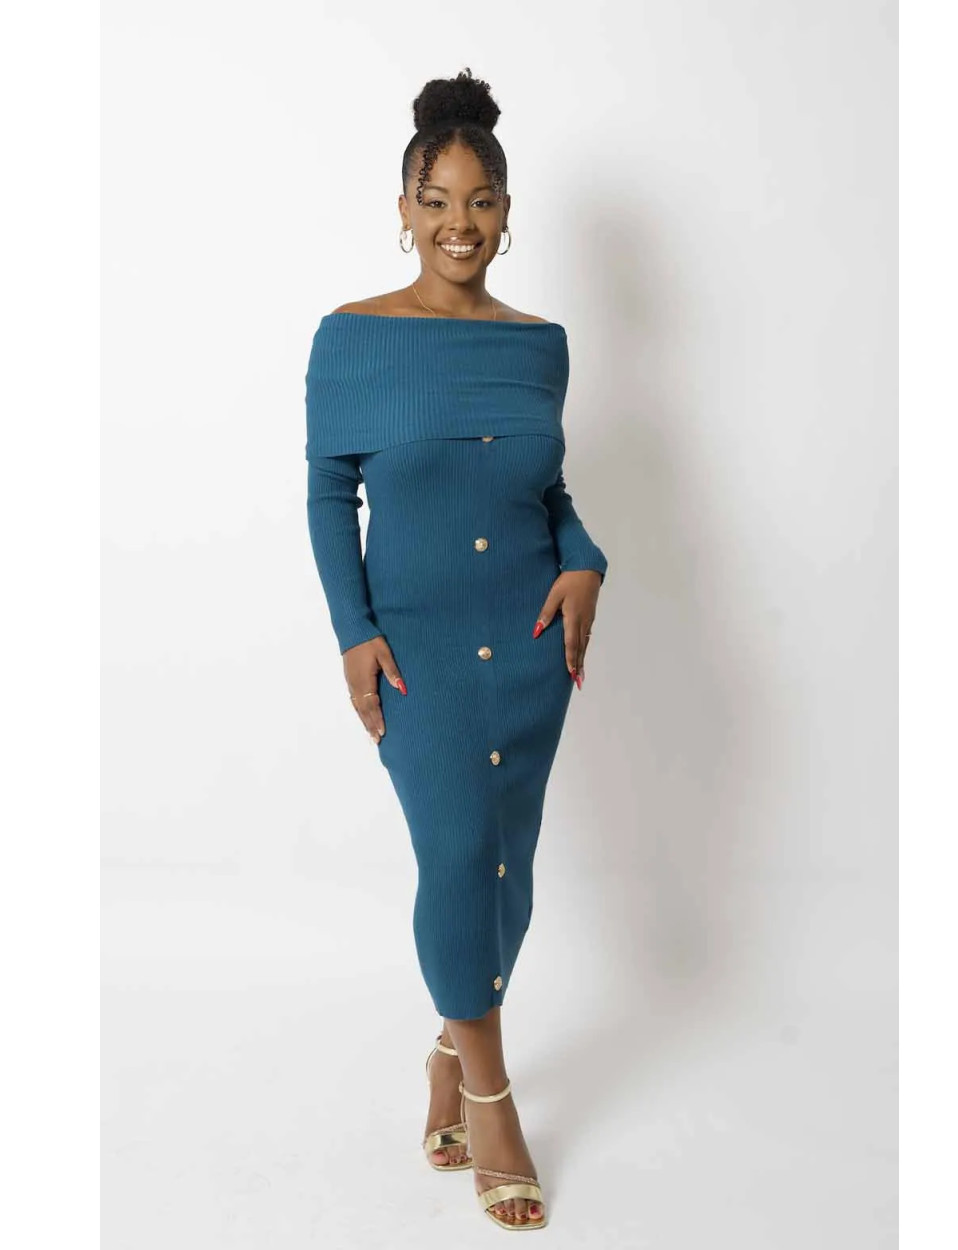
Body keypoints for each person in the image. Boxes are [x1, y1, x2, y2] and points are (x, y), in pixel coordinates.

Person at [304, 67, 608, 1232]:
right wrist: (354, 632)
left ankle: (445, 1050)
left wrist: (585, 559)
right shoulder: (351, 337)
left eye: (480, 201)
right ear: (403, 208)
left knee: (505, 873)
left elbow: (547, 488)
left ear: (507, 211)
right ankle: (490, 1094)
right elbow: (330, 494)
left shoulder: (541, 346)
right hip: (417, 652)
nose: (459, 223)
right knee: (456, 852)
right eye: (436, 201)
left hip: (529, 646)